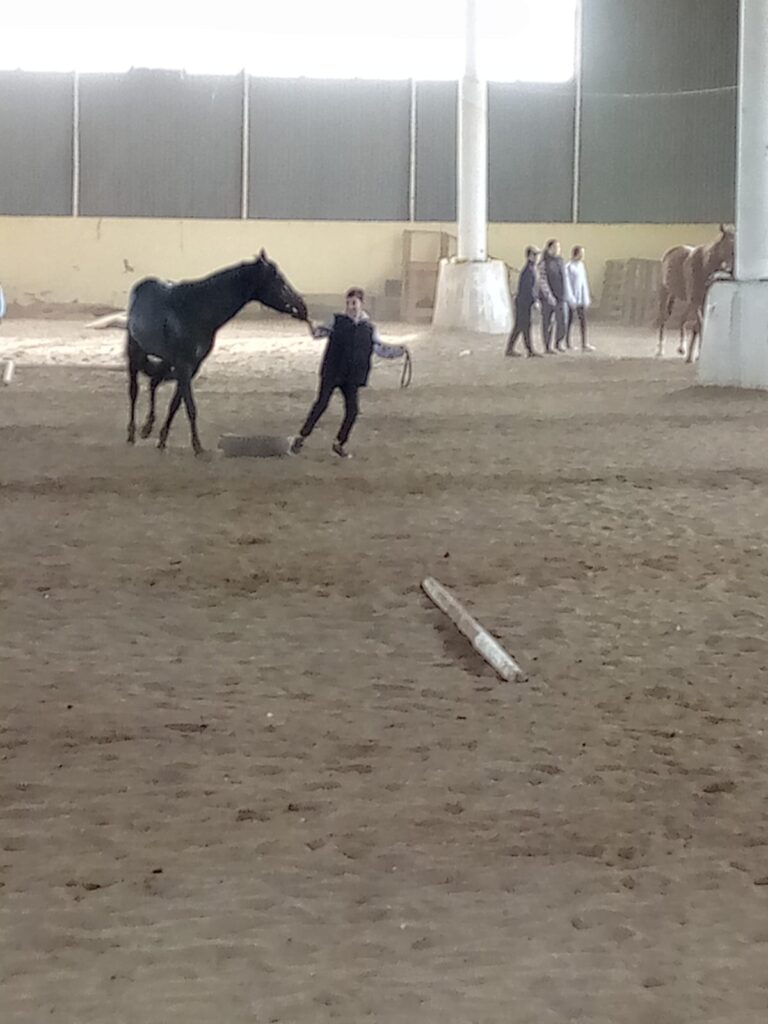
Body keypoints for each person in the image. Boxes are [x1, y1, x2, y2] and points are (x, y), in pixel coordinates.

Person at [290, 287, 407, 458]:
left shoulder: (369, 328)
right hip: (332, 371)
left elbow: (380, 349)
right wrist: (309, 323)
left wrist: (398, 351)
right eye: (348, 303)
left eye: (354, 303)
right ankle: (301, 436)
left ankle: (339, 443)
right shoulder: (336, 320)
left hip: (351, 376)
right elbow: (317, 334)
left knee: (352, 411)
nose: (351, 306)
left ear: (361, 303)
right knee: (321, 405)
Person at [538, 239, 574, 353]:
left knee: (563, 321)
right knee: (548, 323)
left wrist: (569, 296)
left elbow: (566, 279)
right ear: (549, 249)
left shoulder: (561, 261)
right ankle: (547, 346)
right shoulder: (544, 263)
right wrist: (549, 296)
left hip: (562, 297)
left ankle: (559, 342)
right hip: (547, 299)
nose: (557, 249)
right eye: (555, 247)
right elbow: (542, 281)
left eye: (558, 247)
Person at [505, 245, 540, 357]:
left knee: (522, 326)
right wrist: (535, 300)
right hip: (524, 302)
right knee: (522, 326)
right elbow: (529, 288)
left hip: (524, 302)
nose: (537, 257)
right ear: (529, 256)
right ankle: (525, 349)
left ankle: (526, 349)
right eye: (535, 255)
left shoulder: (532, 268)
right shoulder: (529, 270)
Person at [565, 245, 594, 351]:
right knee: (569, 321)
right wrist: (570, 298)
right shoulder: (568, 267)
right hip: (572, 298)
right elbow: (567, 284)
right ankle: (567, 342)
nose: (583, 256)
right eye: (581, 253)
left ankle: (584, 343)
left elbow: (583, 283)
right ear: (576, 254)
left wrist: (586, 298)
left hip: (581, 298)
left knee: (583, 321)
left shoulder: (581, 266)